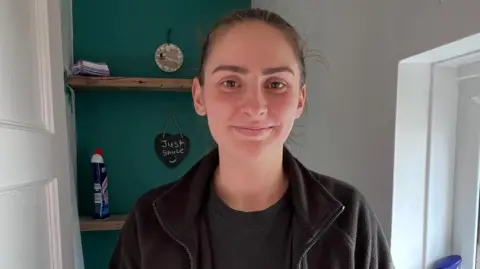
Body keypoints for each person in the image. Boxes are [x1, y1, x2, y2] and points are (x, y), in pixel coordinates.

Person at [109, 8, 394, 269]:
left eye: (276, 84)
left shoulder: (349, 218)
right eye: (230, 83)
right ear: (199, 96)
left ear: (300, 100)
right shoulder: (150, 221)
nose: (255, 107)